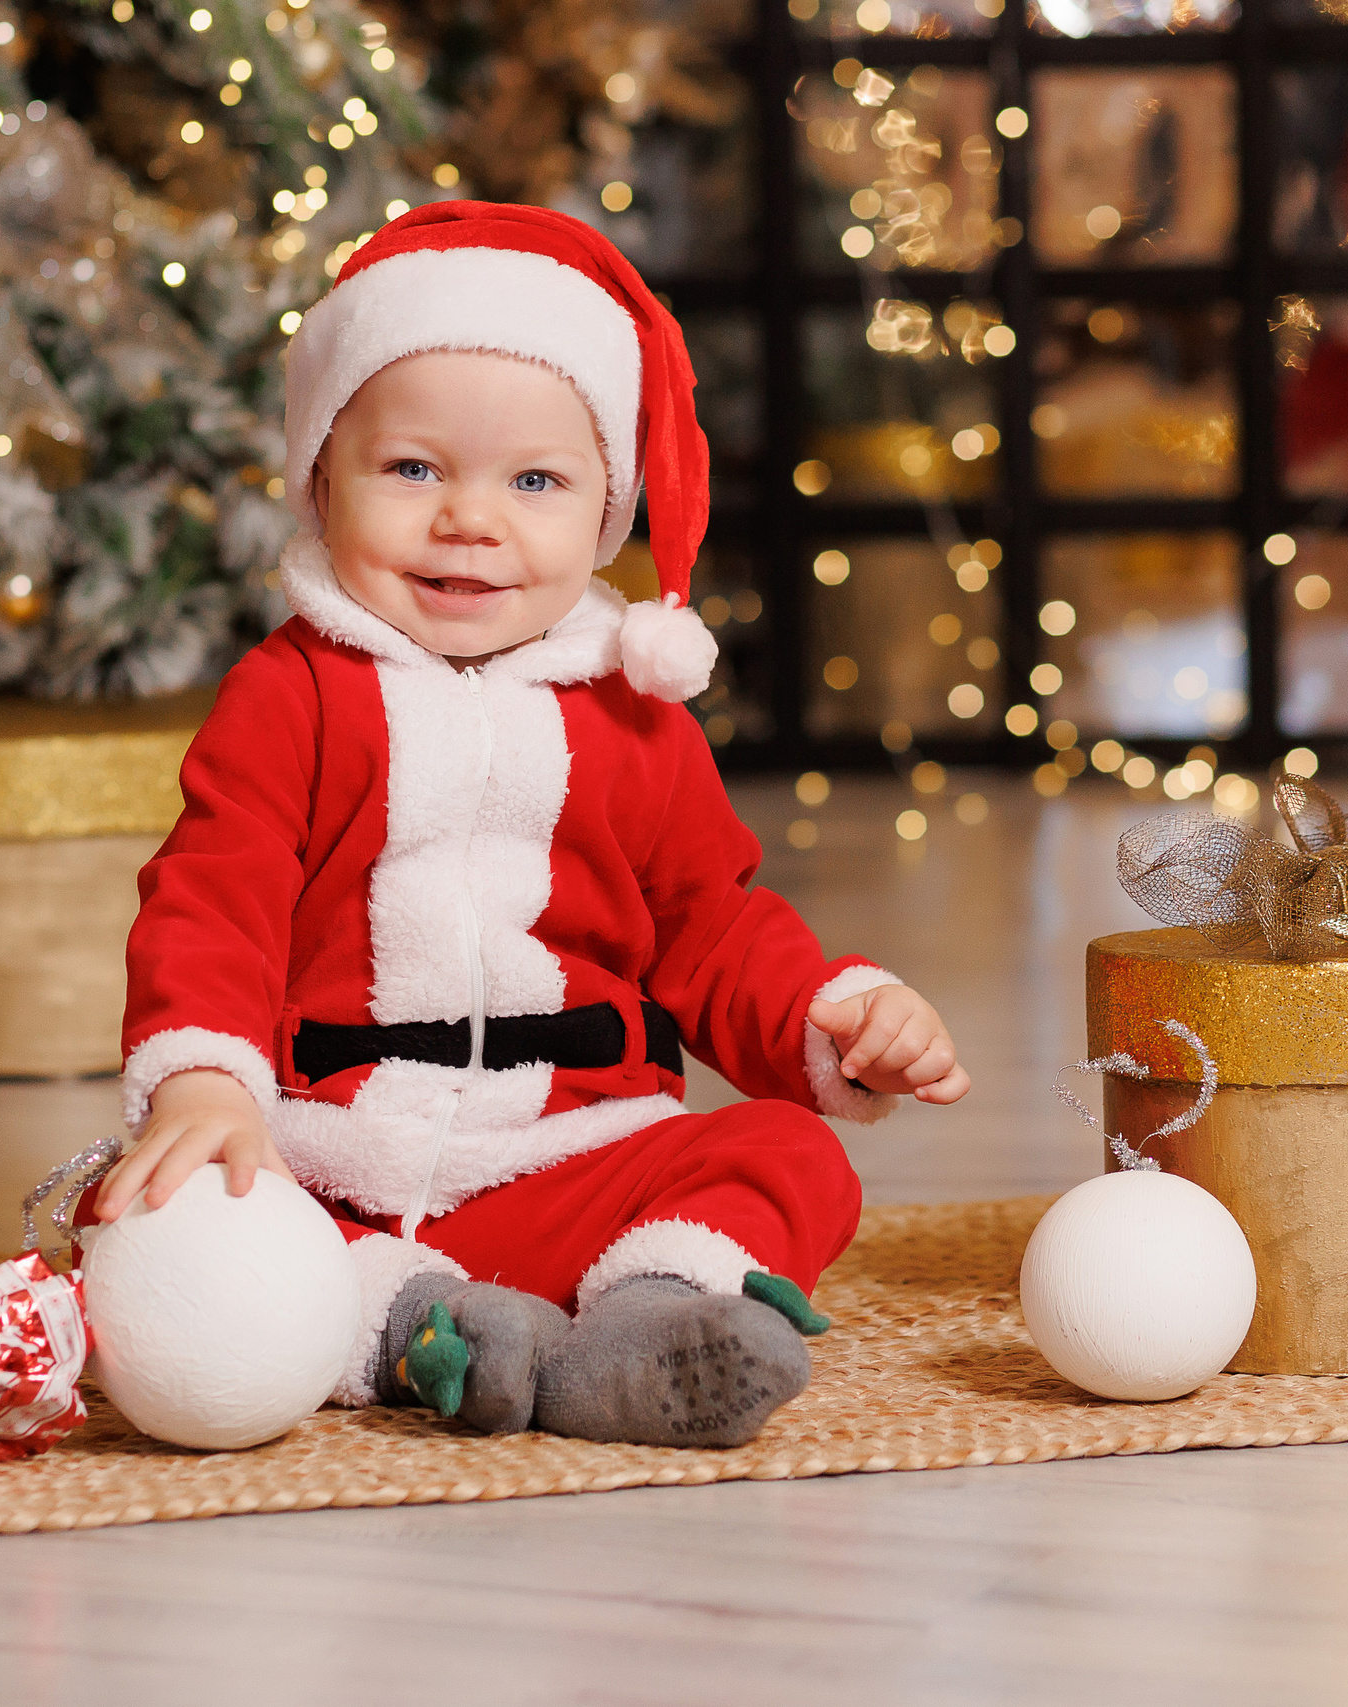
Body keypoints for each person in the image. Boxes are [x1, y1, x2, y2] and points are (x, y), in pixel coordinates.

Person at [92, 202, 967, 1448]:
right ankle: (424, 1329)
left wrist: (829, 1020)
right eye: (412, 469)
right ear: (318, 479)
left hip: (571, 1159)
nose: (469, 519)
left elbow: (709, 926)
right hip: (328, 1166)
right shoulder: (291, 695)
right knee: (145, 1221)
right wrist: (201, 1089)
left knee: (792, 1154)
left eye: (536, 482)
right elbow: (211, 893)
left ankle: (648, 1319)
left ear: (606, 508)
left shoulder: (631, 718)